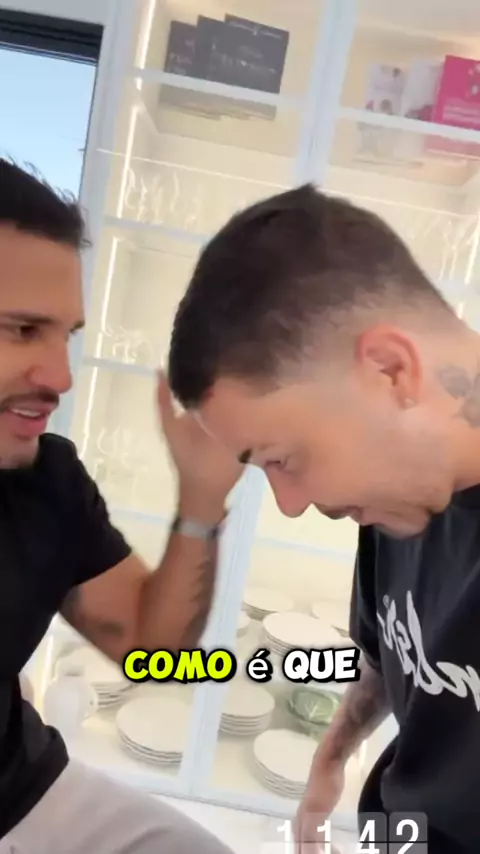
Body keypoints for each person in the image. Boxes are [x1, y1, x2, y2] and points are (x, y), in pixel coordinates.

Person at [167, 182, 480, 853]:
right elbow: (388, 652)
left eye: (284, 459)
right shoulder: (402, 503)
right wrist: (331, 759)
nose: (290, 503)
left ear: (390, 370)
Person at [0, 158, 242, 854]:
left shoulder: (48, 482)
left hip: (19, 794)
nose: (60, 377)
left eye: (67, 335)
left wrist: (201, 501)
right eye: (23, 330)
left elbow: (151, 651)